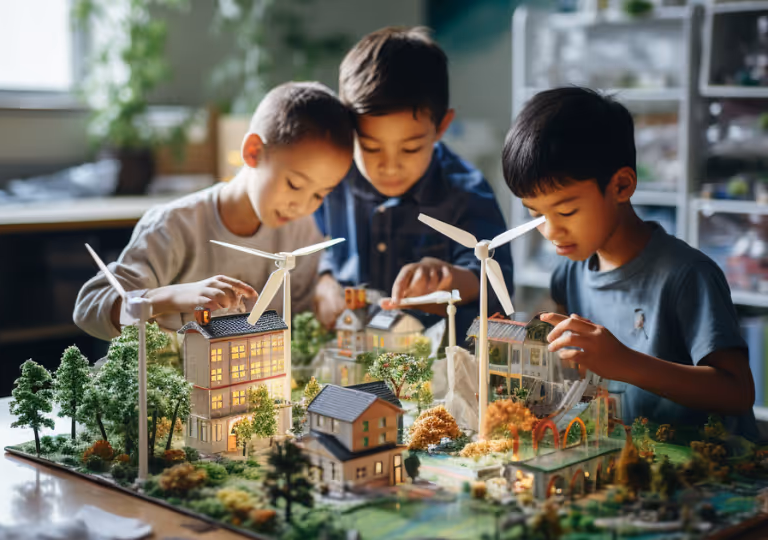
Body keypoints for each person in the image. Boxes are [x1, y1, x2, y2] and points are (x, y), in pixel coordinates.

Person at [502, 86, 757, 438]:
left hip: (711, 468)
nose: (550, 230)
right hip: (633, 456)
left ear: (621, 186)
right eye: (536, 214)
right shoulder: (569, 272)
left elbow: (739, 392)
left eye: (566, 210)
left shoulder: (687, 276)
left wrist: (624, 363)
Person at [75, 81, 354, 341]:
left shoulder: (303, 234)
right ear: (253, 152)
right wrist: (169, 298)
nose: (303, 206)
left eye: (320, 194)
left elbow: (301, 325)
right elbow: (89, 308)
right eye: (294, 184)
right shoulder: (172, 226)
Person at [314, 26, 513, 343]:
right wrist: (324, 282)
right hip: (353, 350)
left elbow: (496, 285)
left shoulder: (466, 192)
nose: (389, 165)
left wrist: (445, 278)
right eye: (371, 147)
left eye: (410, 149)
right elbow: (325, 246)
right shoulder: (336, 180)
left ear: (441, 127)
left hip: (437, 364)